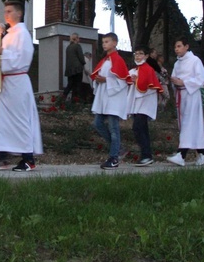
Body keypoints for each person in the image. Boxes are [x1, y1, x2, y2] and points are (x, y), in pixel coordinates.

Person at [0, 1, 43, 172]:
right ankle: (2, 156)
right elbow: (6, 58)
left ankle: (28, 159)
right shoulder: (9, 35)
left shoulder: (23, 34)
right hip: (7, 83)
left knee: (20, 120)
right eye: (5, 11)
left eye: (10, 11)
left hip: (17, 83)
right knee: (0, 120)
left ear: (19, 13)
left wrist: (3, 54)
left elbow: (23, 59)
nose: (6, 14)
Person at [167, 37, 204, 167]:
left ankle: (181, 154)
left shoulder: (195, 60)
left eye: (179, 46)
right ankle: (203, 154)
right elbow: (175, 78)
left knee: (188, 123)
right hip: (182, 95)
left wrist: (184, 82)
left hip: (192, 95)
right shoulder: (177, 63)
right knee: (191, 125)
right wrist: (174, 82)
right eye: (175, 47)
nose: (176, 49)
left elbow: (201, 78)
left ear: (186, 47)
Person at [90, 32, 132, 170]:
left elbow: (123, 80)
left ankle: (114, 158)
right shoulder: (105, 60)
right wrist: (98, 80)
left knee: (114, 128)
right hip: (105, 98)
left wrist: (105, 80)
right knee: (98, 123)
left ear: (114, 43)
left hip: (114, 99)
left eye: (107, 41)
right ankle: (118, 149)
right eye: (103, 42)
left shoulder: (118, 60)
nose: (104, 44)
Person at [127, 45, 164, 166]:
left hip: (146, 103)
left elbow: (150, 85)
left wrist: (136, 80)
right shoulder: (135, 70)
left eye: (140, 53)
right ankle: (147, 155)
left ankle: (146, 155)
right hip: (138, 103)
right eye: (136, 54)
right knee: (143, 129)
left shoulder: (148, 69)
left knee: (137, 127)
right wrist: (131, 80)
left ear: (146, 56)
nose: (137, 56)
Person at [63, 33, 86, 102]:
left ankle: (62, 99)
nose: (79, 39)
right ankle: (75, 101)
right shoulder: (77, 46)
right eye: (78, 38)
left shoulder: (68, 47)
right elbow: (81, 58)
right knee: (77, 85)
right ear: (75, 39)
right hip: (77, 68)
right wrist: (83, 63)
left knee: (70, 85)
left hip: (69, 69)